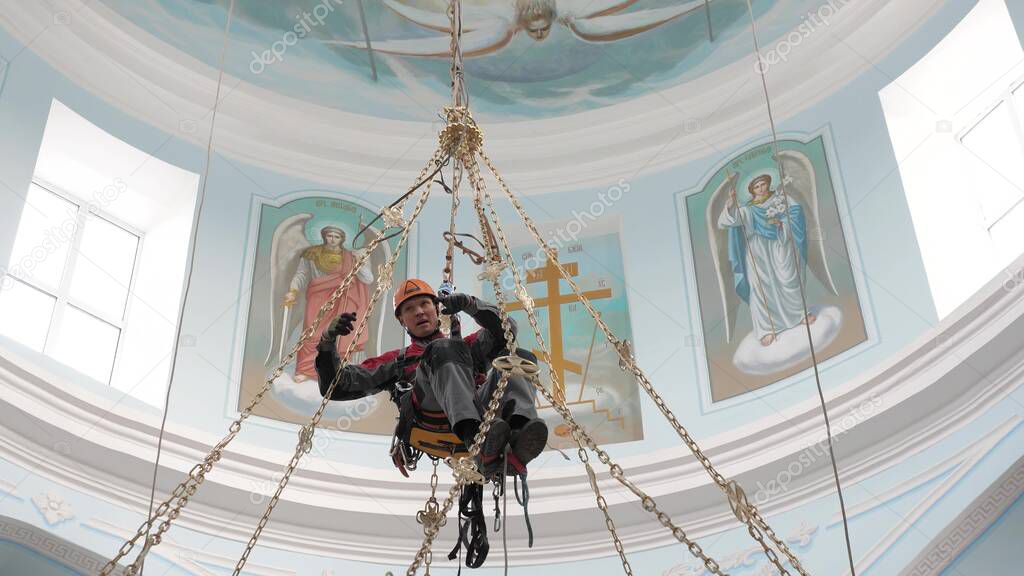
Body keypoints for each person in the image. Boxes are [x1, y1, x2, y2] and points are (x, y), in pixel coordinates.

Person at [315, 278, 548, 478]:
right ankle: (474, 440)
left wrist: (471, 305)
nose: (419, 312)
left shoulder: (468, 348)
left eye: (425, 303)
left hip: (483, 412)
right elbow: (337, 386)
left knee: (518, 357)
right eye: (409, 309)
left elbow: (507, 331)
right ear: (402, 321)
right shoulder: (397, 361)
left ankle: (518, 437)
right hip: (430, 417)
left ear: (437, 309)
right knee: (441, 349)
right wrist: (327, 341)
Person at [717, 174, 814, 346]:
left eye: (763, 184)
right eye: (757, 186)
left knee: (788, 279)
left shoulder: (780, 199)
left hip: (780, 245)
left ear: (768, 185)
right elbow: (725, 223)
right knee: (760, 289)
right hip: (757, 251)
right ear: (752, 191)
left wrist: (782, 223)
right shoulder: (747, 209)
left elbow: (796, 212)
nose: (761, 188)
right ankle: (767, 329)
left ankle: (799, 315)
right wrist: (731, 205)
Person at [284, 225, 372, 381]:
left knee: (339, 333)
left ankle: (334, 371)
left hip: (342, 300)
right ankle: (305, 369)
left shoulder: (350, 257)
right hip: (317, 298)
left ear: (342, 239)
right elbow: (302, 274)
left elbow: (368, 279)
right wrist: (292, 290)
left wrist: (360, 262)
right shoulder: (312, 253)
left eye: (336, 236)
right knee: (312, 333)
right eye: (329, 235)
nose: (332, 239)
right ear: (324, 236)